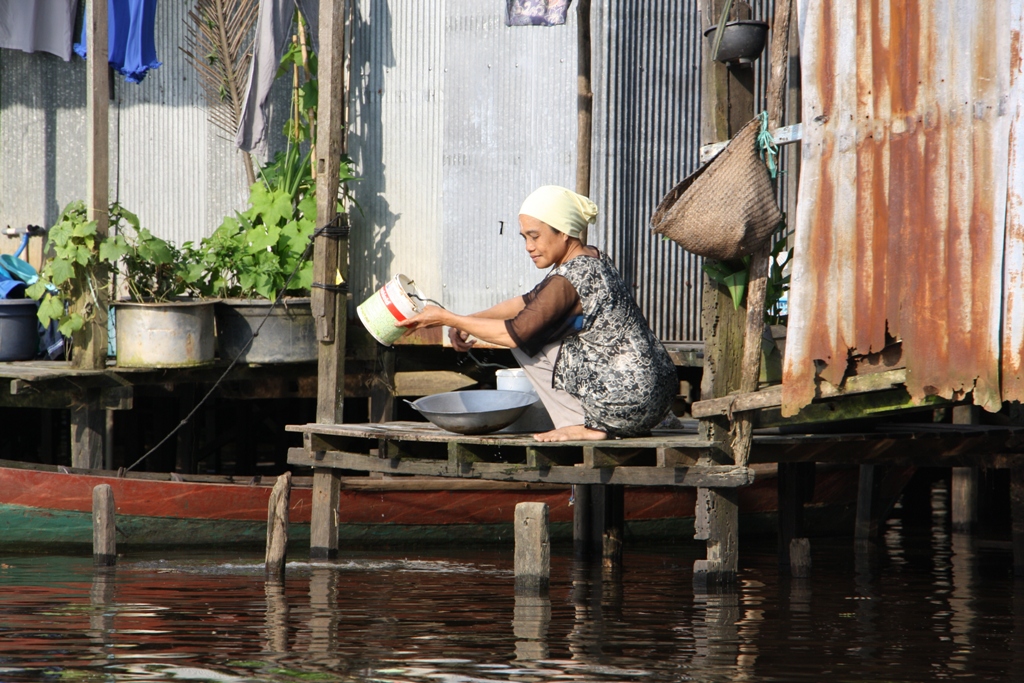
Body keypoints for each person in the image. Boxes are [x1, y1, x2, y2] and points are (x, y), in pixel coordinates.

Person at [398, 185, 677, 442]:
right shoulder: (593, 257)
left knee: (525, 339)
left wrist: (448, 318)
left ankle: (585, 425)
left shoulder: (569, 278)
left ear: (564, 232)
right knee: (530, 325)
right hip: (657, 398)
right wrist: (469, 321)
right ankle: (591, 421)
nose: (529, 247)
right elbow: (526, 302)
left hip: (627, 402)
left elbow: (512, 334)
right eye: (525, 237)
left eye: (535, 236)